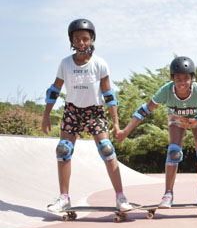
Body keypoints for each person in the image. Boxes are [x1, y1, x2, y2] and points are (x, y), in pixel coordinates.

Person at [43, 18, 134, 212]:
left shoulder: (100, 63)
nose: (81, 43)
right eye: (77, 39)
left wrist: (116, 124)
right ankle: (64, 198)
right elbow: (54, 90)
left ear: (92, 39)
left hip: (95, 112)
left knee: (107, 150)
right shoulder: (65, 63)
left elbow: (109, 95)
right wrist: (46, 115)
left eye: (85, 38)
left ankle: (121, 197)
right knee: (63, 151)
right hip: (72, 111)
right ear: (71, 41)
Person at [115, 56, 197, 208]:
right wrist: (126, 131)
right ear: (173, 79)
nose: (182, 83)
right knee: (174, 153)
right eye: (178, 78)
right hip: (176, 119)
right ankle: (168, 194)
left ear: (192, 78)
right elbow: (144, 110)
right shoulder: (165, 91)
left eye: (186, 78)